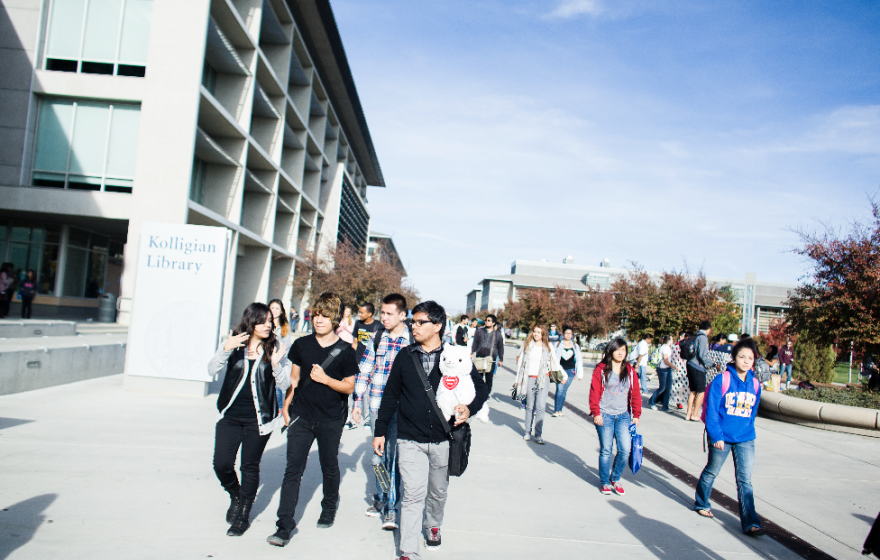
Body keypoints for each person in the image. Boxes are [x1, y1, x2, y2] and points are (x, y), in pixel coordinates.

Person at [372, 300, 488, 560]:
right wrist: (380, 431)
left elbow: (481, 389)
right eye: (413, 321)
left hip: (443, 438)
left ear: (437, 326)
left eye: (420, 322)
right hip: (409, 438)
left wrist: (470, 408)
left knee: (437, 492)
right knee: (412, 495)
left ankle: (433, 525)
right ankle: (408, 550)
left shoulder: (454, 355)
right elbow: (390, 395)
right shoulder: (406, 355)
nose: (414, 326)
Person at [269, 293, 359, 546]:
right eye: (316, 314)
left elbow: (349, 387)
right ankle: (284, 525)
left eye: (326, 315)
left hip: (331, 418)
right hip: (302, 416)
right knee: (292, 470)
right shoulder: (301, 345)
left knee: (329, 466)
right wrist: (286, 406)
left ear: (336, 319)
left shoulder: (345, 351)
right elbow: (295, 380)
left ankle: (329, 506)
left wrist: (326, 380)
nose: (319, 319)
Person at [209, 303, 291, 537]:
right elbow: (211, 369)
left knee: (249, 467)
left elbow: (285, 385)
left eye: (270, 321)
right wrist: (225, 349)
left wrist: (276, 364)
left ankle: (243, 515)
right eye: (263, 320)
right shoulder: (234, 342)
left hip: (259, 420)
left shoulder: (275, 347)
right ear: (251, 321)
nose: (268, 325)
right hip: (229, 416)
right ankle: (235, 494)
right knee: (222, 464)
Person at [694, 338, 765, 537]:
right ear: (734, 358)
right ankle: (701, 502)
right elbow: (712, 411)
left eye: (750, 358)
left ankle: (751, 522)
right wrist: (715, 435)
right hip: (721, 437)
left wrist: (747, 430)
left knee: (745, 480)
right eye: (742, 357)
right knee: (711, 471)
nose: (746, 361)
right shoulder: (722, 380)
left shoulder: (755, 384)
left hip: (745, 438)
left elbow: (753, 411)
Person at [353, 293, 410, 531]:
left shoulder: (412, 341)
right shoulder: (377, 338)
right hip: (376, 407)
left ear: (402, 315)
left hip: (402, 410)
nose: (384, 318)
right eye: (382, 313)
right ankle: (382, 496)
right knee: (379, 459)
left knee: (394, 458)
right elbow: (365, 369)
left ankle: (391, 508)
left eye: (389, 314)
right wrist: (357, 401)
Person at [589, 337, 641, 496]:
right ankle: (604, 482)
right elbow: (594, 392)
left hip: (623, 415)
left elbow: (636, 395)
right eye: (618, 349)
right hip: (604, 415)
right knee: (606, 449)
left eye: (624, 350)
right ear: (611, 350)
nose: (621, 352)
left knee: (625, 449)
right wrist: (596, 412)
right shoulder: (602, 369)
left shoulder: (630, 371)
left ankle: (615, 478)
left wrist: (636, 414)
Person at [514, 325, 560, 445]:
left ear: (543, 334)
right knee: (529, 406)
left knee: (540, 406)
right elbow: (521, 363)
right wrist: (517, 380)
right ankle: (527, 432)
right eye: (534, 332)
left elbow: (555, 361)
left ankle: (538, 434)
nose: (536, 334)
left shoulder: (548, 346)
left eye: (539, 332)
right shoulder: (528, 345)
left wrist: (563, 375)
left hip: (543, 379)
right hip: (529, 378)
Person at [686, 320, 720, 422]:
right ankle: (695, 414)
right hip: (697, 366)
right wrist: (713, 364)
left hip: (690, 364)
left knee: (693, 391)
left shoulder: (696, 335)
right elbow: (702, 355)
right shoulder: (703, 337)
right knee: (701, 391)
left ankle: (688, 414)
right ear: (708, 329)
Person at [552, 326, 583, 417]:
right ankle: (556, 410)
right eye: (566, 333)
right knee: (559, 389)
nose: (568, 335)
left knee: (564, 390)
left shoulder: (575, 346)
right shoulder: (557, 344)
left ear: (572, 335)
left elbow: (579, 360)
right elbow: (553, 358)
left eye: (570, 333)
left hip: (570, 370)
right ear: (563, 334)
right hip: (559, 370)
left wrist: (580, 374)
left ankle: (560, 410)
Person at [269, 299, 294, 413]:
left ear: (281, 311)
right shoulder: (265, 323)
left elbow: (287, 343)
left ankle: (278, 408)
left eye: (277, 308)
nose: (274, 311)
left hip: (280, 360)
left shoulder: (284, 326)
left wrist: (277, 344)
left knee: (279, 386)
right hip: (266, 360)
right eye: (272, 308)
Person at [470, 313, 505, 396]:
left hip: (491, 359)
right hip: (479, 357)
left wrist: (501, 359)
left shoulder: (498, 334)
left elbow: (500, 347)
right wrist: (472, 352)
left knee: (489, 378)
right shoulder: (479, 331)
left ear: (493, 323)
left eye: (488, 321)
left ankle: (486, 394)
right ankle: (477, 394)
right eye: (486, 320)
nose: (486, 322)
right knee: (478, 377)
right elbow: (475, 343)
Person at [649, 335, 674, 411]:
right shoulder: (665, 348)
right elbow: (666, 360)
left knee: (668, 388)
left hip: (667, 369)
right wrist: (674, 366)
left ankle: (665, 406)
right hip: (663, 370)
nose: (673, 340)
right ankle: (652, 401)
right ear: (669, 340)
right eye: (672, 339)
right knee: (662, 388)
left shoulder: (668, 347)